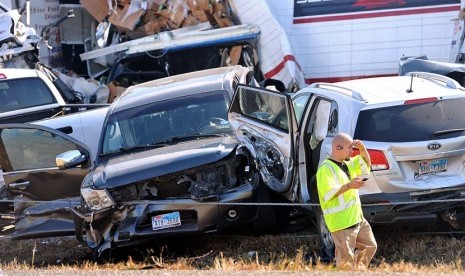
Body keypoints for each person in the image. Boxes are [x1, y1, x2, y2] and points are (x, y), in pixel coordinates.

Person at [316, 132, 377, 270]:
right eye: (349, 148)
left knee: (370, 246)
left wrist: (363, 150)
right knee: (345, 262)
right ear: (338, 148)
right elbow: (328, 194)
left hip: (357, 218)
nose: (352, 151)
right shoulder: (325, 169)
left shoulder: (348, 163)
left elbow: (366, 167)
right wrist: (350, 185)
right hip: (341, 223)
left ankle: (358, 272)